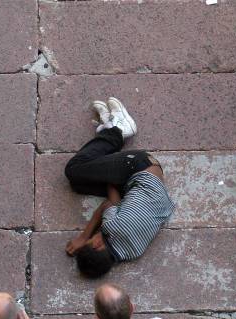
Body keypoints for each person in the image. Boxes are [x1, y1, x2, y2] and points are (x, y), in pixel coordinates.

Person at [64, 97, 175, 278]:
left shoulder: (132, 253)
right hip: (141, 165)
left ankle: (108, 136)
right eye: (92, 240)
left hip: (154, 189)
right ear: (97, 245)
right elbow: (109, 200)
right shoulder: (112, 227)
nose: (94, 237)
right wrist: (84, 236)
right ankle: (119, 130)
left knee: (78, 184)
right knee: (73, 170)